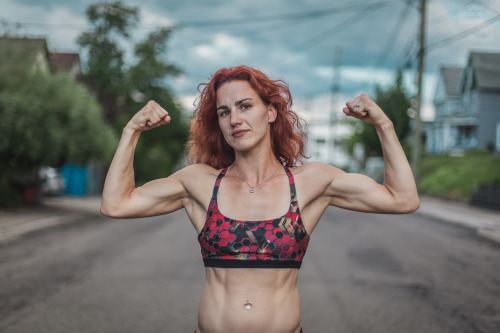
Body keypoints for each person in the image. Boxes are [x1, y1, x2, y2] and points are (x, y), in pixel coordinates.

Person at [100, 65, 419, 333]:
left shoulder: (310, 182)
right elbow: (116, 204)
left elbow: (402, 199)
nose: (234, 119)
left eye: (245, 106)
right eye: (224, 112)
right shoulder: (199, 182)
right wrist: (131, 131)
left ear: (270, 112)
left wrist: (384, 125)